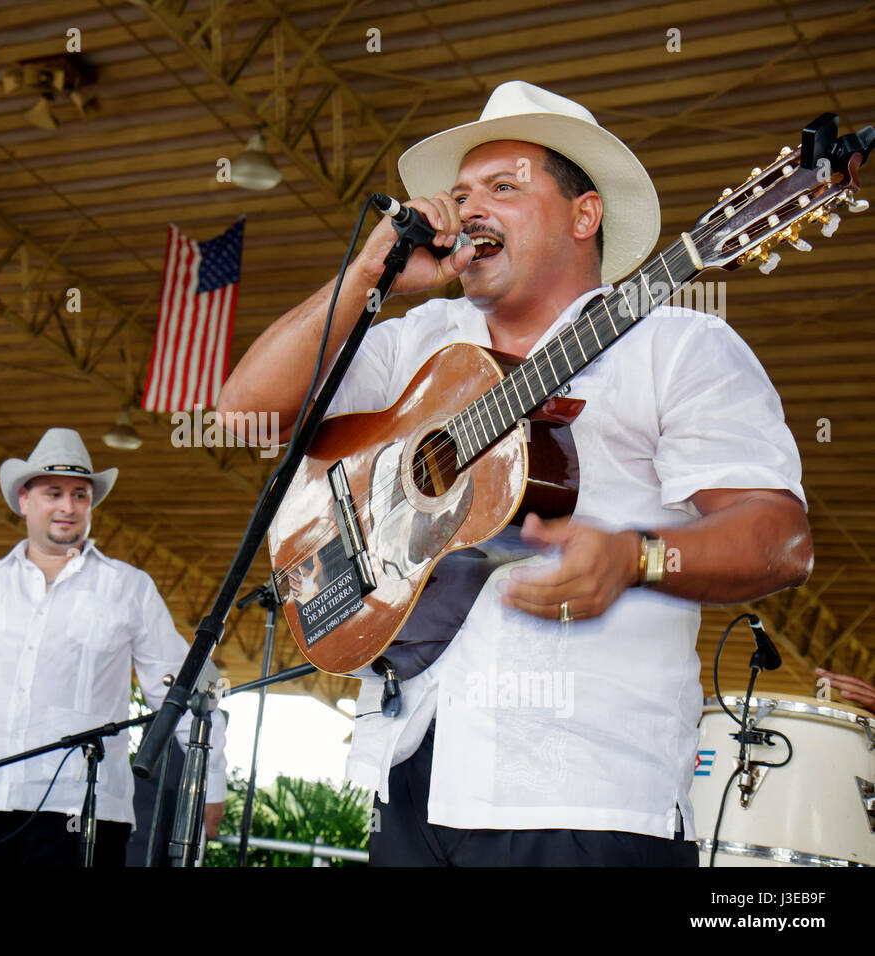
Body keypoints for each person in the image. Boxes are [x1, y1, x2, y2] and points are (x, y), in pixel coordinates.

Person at [216, 81, 813, 866]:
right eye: (461, 194)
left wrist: (641, 556)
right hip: (408, 770)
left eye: (505, 187)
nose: (470, 211)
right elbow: (243, 415)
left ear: (583, 215)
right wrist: (370, 277)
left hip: (585, 790)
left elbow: (780, 540)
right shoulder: (416, 338)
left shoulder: (679, 345)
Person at [0, 428, 226, 867]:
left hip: (82, 810)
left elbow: (181, 690)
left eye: (80, 495)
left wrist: (209, 785)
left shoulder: (129, 588)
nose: (67, 506)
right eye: (53, 492)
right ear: (24, 499)